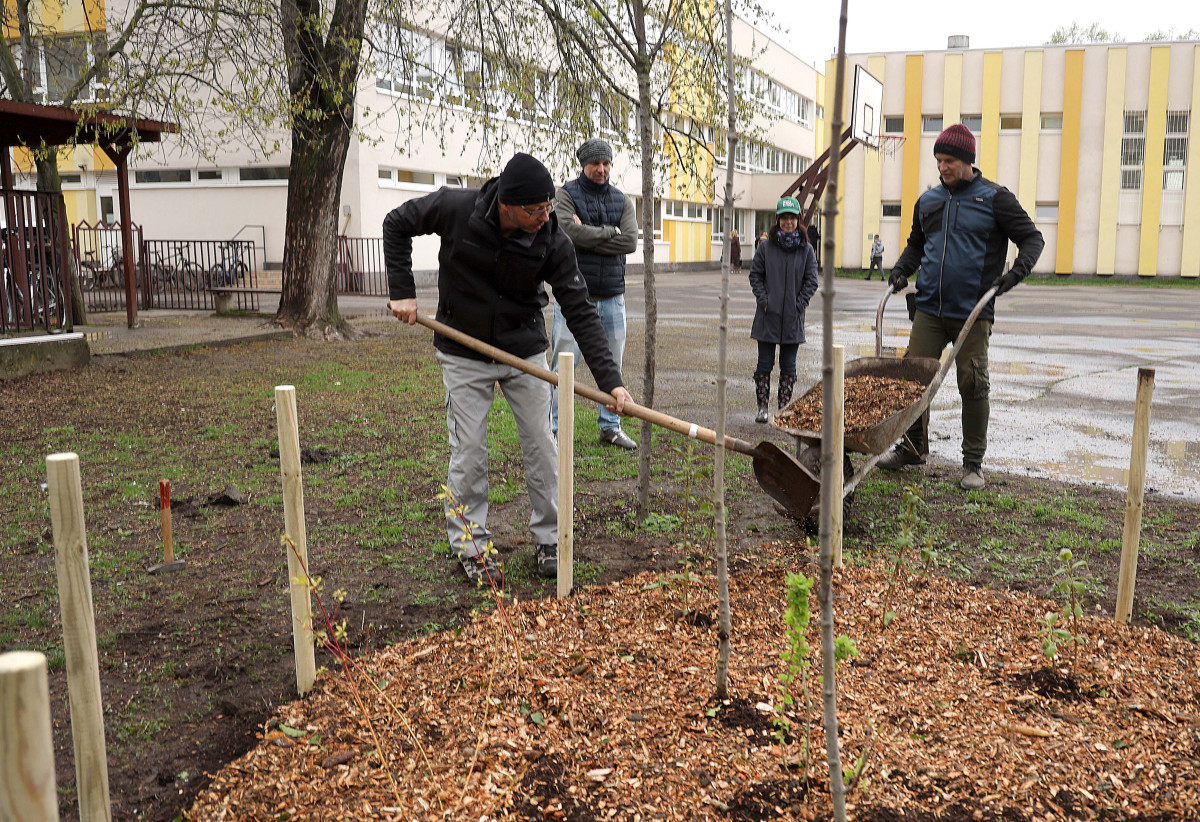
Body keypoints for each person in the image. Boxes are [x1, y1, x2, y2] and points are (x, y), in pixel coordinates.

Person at [384, 152, 634, 585]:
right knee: (469, 453)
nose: (544, 216)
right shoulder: (456, 208)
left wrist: (612, 383)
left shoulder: (553, 239)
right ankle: (472, 546)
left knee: (542, 443)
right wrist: (403, 290)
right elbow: (396, 223)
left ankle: (552, 539)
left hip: (524, 354)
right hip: (464, 352)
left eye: (548, 208)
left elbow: (580, 310)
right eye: (535, 210)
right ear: (507, 204)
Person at [878, 123, 1044, 490]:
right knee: (912, 378)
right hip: (929, 309)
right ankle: (912, 448)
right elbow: (916, 245)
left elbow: (1033, 239)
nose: (942, 167)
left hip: (973, 310)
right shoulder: (929, 201)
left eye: (949, 160)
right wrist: (902, 269)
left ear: (968, 160)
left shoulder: (996, 199)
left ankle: (972, 464)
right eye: (938, 160)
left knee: (971, 381)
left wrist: (1015, 274)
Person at [550, 138, 639, 450]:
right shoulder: (566, 195)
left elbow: (630, 241)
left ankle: (610, 427)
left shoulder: (622, 200)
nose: (601, 169)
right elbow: (566, 232)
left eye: (606, 163)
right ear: (583, 165)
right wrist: (609, 232)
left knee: (612, 368)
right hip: (574, 299)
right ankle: (554, 430)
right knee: (563, 367)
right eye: (595, 164)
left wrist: (587, 234)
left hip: (613, 298)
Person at [748, 196, 819, 424]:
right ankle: (762, 408)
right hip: (767, 317)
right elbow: (755, 276)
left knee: (788, 367)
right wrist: (764, 300)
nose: (788, 222)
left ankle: (783, 409)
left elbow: (812, 281)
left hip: (792, 319)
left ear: (798, 220)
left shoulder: (806, 250)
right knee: (764, 365)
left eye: (792, 218)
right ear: (778, 219)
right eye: (784, 218)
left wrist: (799, 304)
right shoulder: (766, 248)